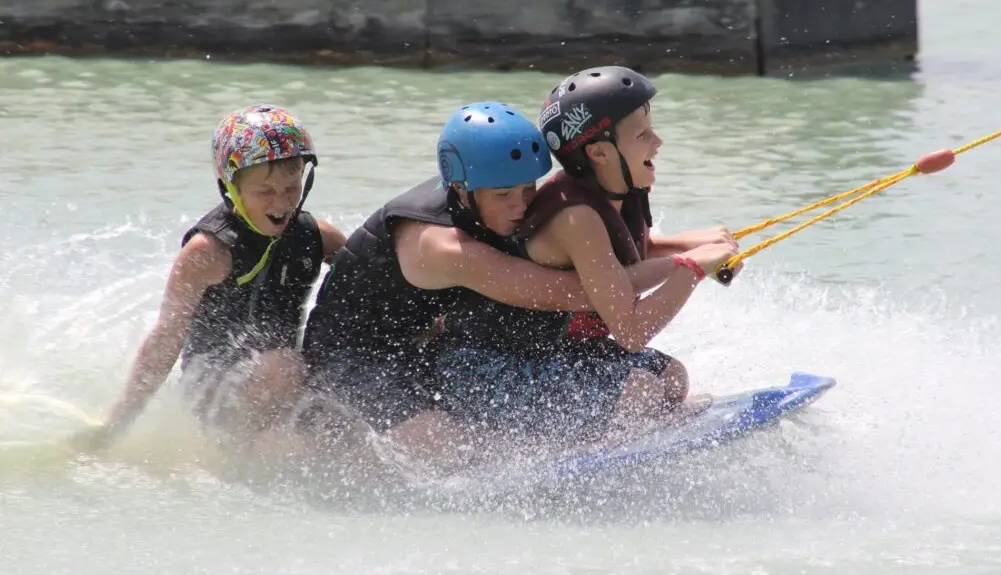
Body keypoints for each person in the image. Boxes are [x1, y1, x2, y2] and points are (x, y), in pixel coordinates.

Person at [300, 101, 679, 464]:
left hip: (423, 343)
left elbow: (609, 263)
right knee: (439, 440)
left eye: (528, 189)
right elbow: (568, 293)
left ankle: (566, 434)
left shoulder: (483, 191)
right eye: (504, 196)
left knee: (668, 379)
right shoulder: (442, 246)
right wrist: (688, 267)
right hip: (352, 359)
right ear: (463, 190)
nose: (521, 205)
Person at [433, 66, 740, 447]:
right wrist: (693, 267)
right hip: (487, 367)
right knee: (639, 392)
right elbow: (630, 332)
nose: (657, 142)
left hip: (558, 354)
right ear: (599, 152)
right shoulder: (575, 217)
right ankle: (579, 451)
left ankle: (609, 430)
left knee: (672, 378)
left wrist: (691, 244)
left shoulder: (618, 189)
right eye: (642, 134)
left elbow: (624, 254)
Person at [71, 104, 347, 453]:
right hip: (212, 387)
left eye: (291, 188)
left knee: (328, 416)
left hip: (279, 381)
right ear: (232, 187)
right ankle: (236, 455)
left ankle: (278, 445)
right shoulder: (208, 253)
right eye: (265, 191)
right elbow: (166, 337)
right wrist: (118, 423)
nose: (282, 202)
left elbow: (374, 284)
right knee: (286, 367)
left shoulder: (319, 237)